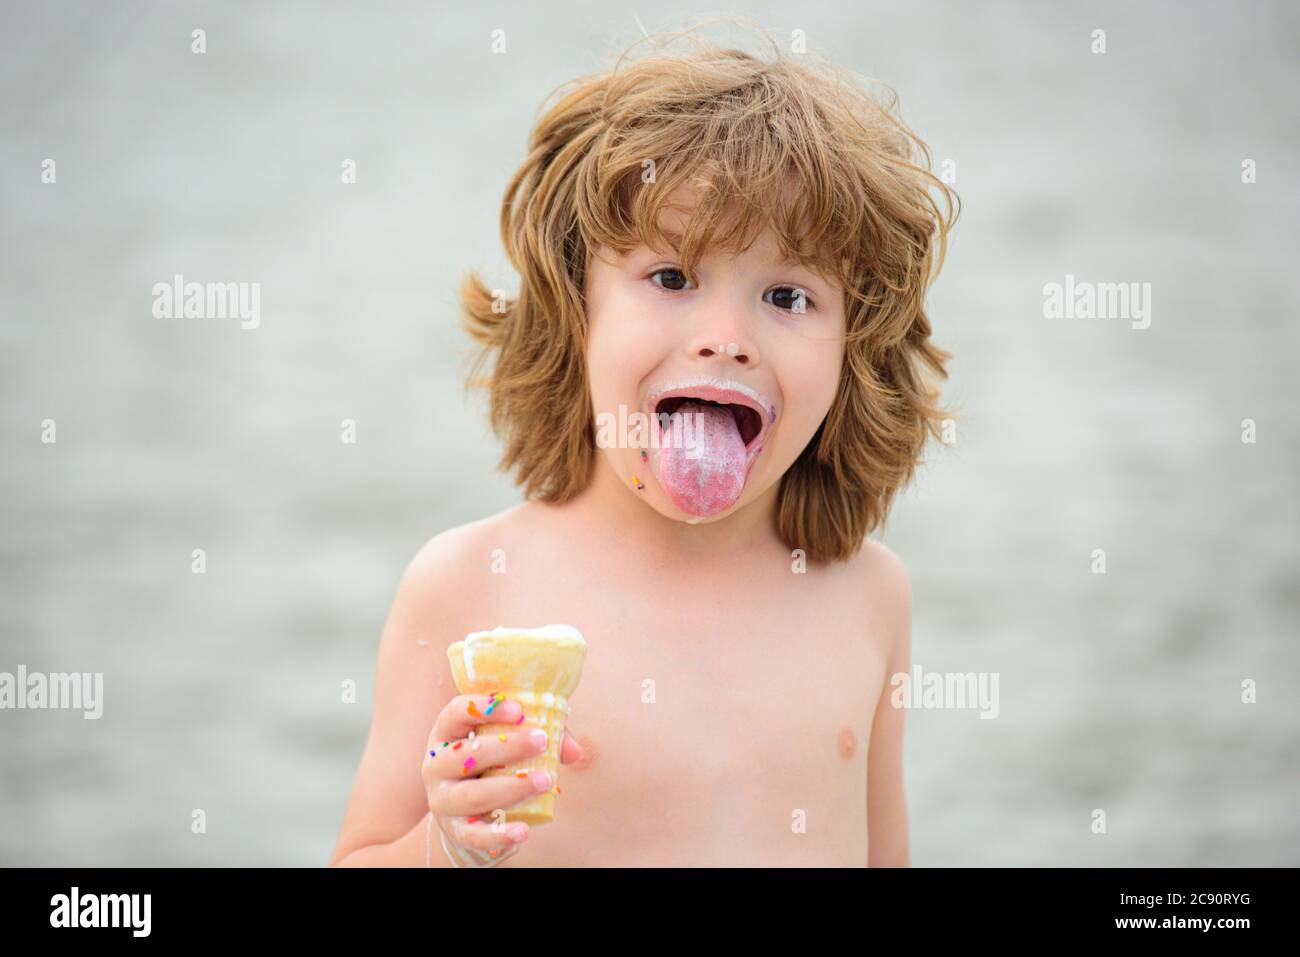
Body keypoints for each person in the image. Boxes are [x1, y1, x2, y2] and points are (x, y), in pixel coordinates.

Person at [330, 23, 959, 867]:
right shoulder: (469, 584)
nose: (727, 337)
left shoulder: (869, 593)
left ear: (857, 348)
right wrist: (445, 841)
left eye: (787, 294)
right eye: (671, 278)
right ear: (574, 310)